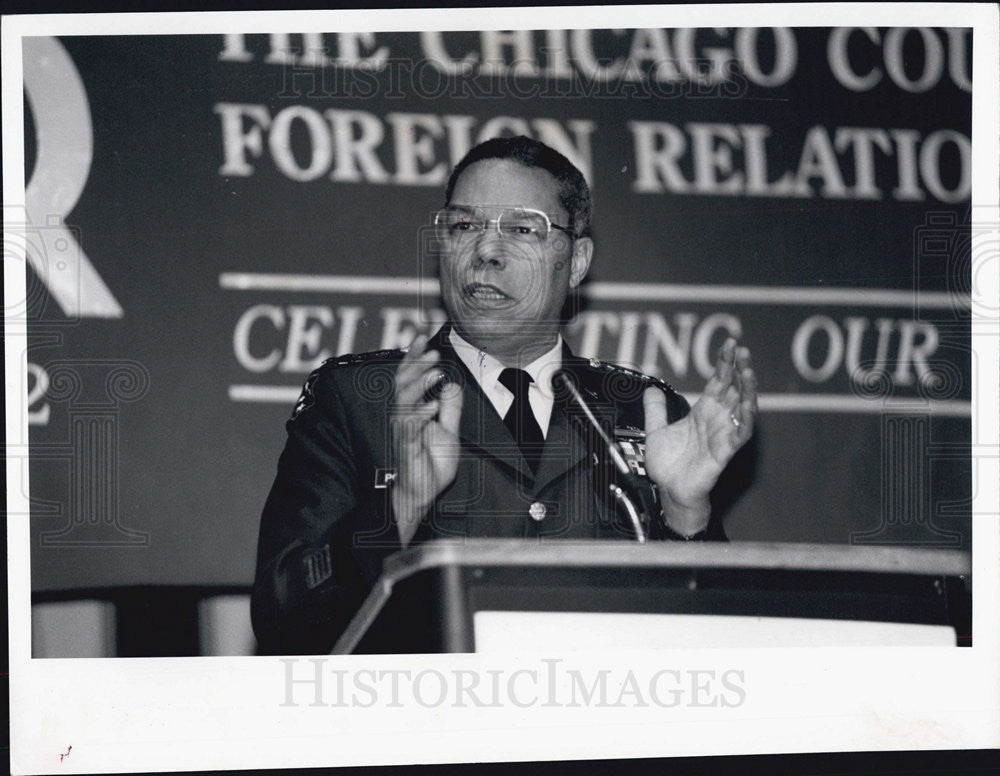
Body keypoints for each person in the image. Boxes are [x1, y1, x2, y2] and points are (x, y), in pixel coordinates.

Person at [251, 136, 757, 655]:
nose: (486, 252)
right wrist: (398, 506)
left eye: (521, 229)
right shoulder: (362, 399)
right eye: (464, 226)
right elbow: (283, 621)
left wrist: (684, 512)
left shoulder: (642, 411)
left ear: (577, 259)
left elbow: (711, 650)